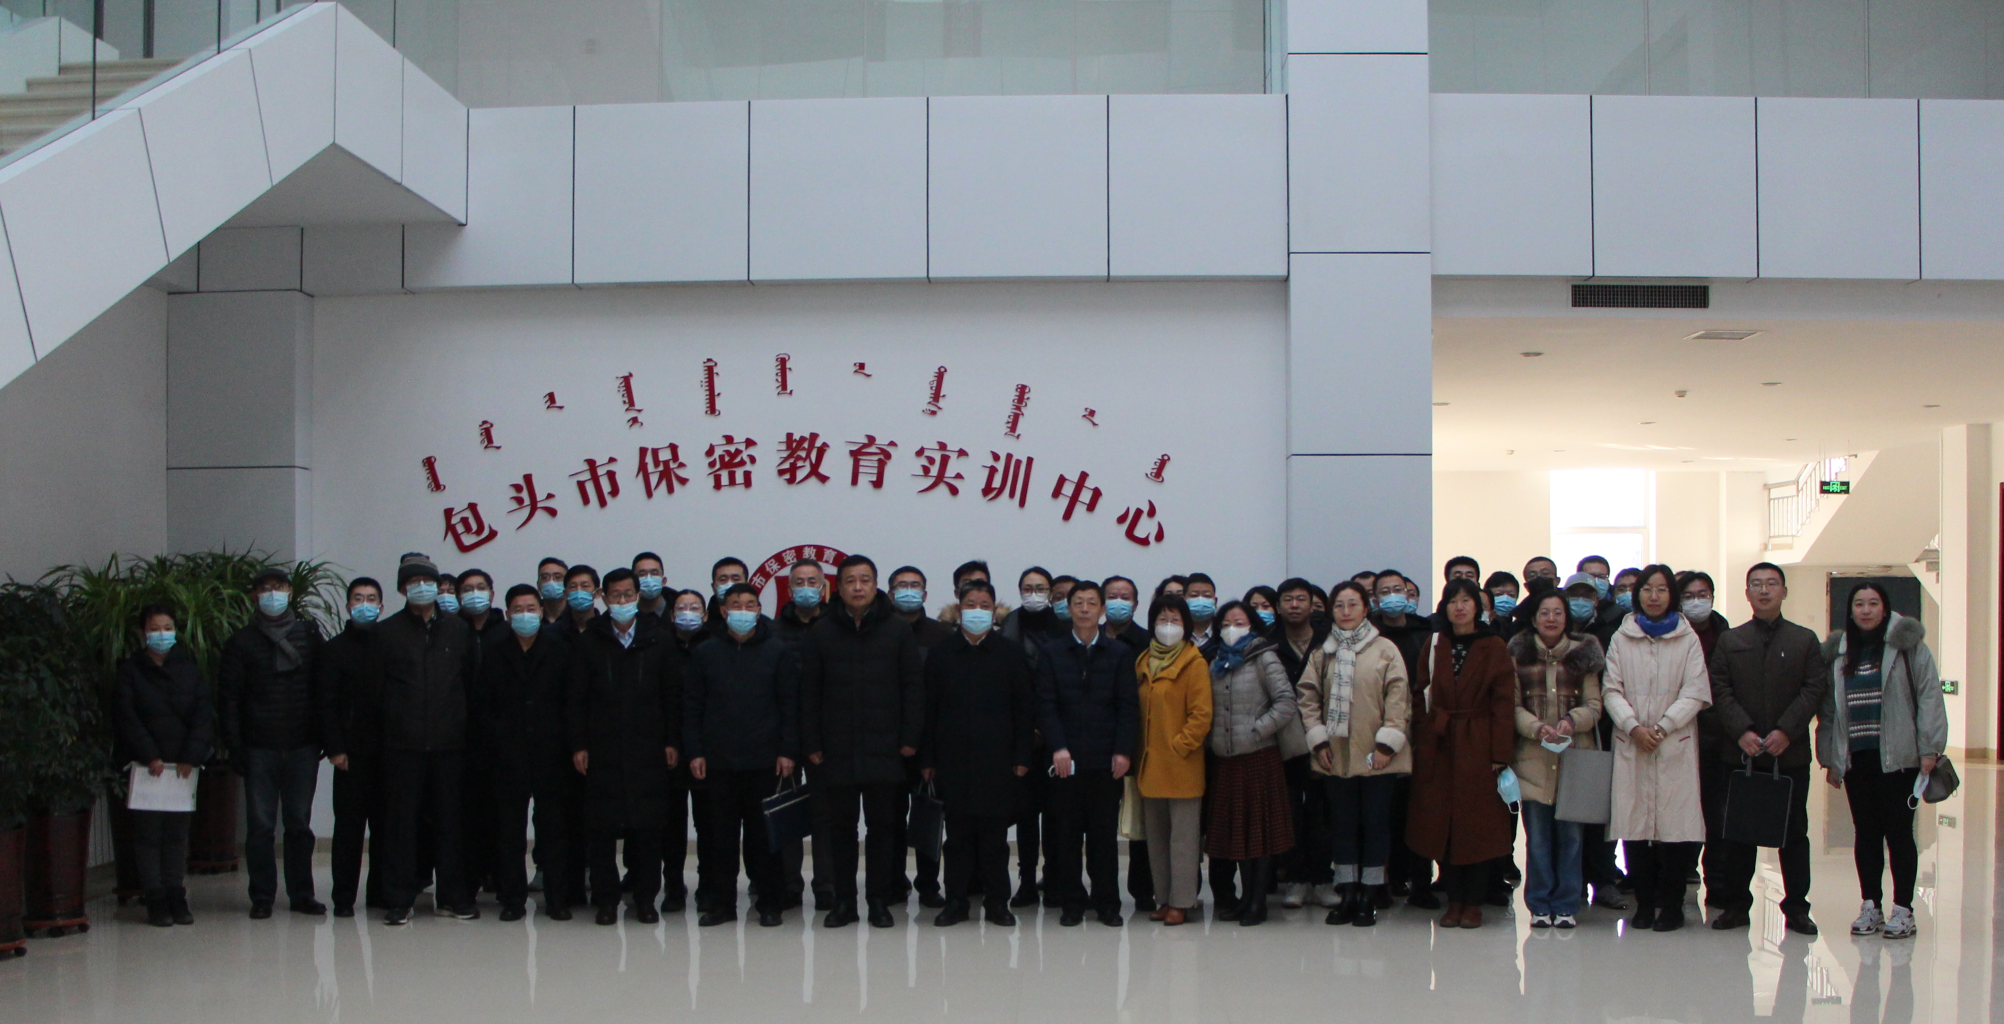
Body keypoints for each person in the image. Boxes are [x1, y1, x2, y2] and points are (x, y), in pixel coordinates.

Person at [1817, 581, 1946, 942]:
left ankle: (1903, 909)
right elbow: (1829, 709)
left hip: (1900, 756)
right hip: (1858, 756)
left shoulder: (1908, 647)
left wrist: (1930, 748)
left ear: (1885, 608)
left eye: (1873, 603)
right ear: (1850, 610)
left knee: (1899, 832)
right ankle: (1870, 904)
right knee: (1866, 832)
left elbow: (1930, 695)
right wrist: (1830, 756)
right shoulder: (1840, 653)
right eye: (1859, 604)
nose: (1866, 610)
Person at [800, 555, 923, 929]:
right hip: (836, 748)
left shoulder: (896, 630)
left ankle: (879, 901)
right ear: (838, 588)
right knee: (840, 829)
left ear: (875, 585)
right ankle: (844, 903)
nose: (858, 587)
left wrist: (909, 737)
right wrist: (812, 740)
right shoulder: (822, 631)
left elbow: (912, 688)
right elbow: (809, 691)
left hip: (885, 747)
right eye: (850, 581)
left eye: (865, 580)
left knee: (883, 828)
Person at [1706, 563, 1827, 935]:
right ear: (1747, 594)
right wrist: (1741, 730)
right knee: (1737, 834)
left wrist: (1786, 731)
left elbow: (1813, 689)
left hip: (1788, 755)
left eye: (1772, 584)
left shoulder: (1804, 640)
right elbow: (1719, 688)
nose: (1764, 590)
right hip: (1740, 754)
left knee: (1794, 834)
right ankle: (1736, 906)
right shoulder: (1731, 640)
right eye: (1756, 584)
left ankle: (1797, 908)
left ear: (1784, 591)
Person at [567, 568, 682, 926]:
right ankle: (606, 900)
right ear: (603, 597)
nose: (622, 601)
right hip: (602, 749)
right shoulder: (590, 640)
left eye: (628, 594)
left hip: (648, 749)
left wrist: (672, 741)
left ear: (637, 596)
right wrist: (578, 744)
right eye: (615, 595)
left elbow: (672, 696)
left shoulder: (658, 638)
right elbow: (576, 699)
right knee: (601, 830)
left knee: (647, 830)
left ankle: (645, 899)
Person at [1602, 564, 1711, 933]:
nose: (1654, 596)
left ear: (1671, 595)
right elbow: (1611, 689)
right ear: (1638, 594)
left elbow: (1695, 691)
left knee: (1674, 829)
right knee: (1635, 827)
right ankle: (1644, 904)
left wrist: (1663, 727)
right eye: (1648, 589)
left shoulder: (1687, 638)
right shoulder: (1622, 637)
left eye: (1662, 589)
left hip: (1673, 742)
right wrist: (1633, 727)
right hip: (1632, 741)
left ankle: (1672, 906)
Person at [685, 583, 799, 928]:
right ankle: (722, 904)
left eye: (750, 605)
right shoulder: (705, 652)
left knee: (764, 838)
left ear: (759, 610)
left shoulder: (777, 650)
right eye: (736, 605)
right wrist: (695, 751)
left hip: (765, 760)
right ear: (723, 611)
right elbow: (692, 706)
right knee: (721, 836)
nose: (743, 611)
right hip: (718, 760)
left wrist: (787, 750)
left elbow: (789, 705)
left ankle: (769, 903)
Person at [921, 579, 1035, 927]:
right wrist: (927, 759)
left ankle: (997, 902)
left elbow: (1024, 711)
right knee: (956, 839)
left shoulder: (1010, 653)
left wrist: (1022, 757)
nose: (977, 611)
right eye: (970, 604)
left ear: (994, 611)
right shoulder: (941, 653)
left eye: (984, 605)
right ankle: (956, 902)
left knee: (994, 840)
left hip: (998, 762)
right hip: (952, 761)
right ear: (958, 608)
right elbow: (928, 710)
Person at [1298, 582, 1410, 927]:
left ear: (1366, 609)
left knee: (1375, 824)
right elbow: (1307, 697)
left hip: (1377, 755)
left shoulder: (1385, 649)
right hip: (1336, 756)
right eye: (1339, 605)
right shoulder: (1323, 652)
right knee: (1342, 825)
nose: (1346, 612)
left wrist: (1386, 745)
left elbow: (1399, 700)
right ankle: (1347, 891)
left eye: (1353, 605)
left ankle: (1370, 894)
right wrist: (1319, 742)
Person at [1405, 578, 1514, 929]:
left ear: (1478, 607)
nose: (1460, 607)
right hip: (1438, 743)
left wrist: (1500, 753)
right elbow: (1420, 693)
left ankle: (1474, 902)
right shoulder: (1435, 643)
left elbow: (1503, 702)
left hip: (1478, 741)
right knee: (1442, 824)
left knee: (1477, 826)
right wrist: (1424, 734)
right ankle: (1453, 900)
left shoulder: (1493, 645)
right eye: (1453, 601)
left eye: (1466, 600)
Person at [219, 566, 326, 919]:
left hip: (302, 745)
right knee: (261, 827)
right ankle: (262, 896)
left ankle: (302, 894)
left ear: (290, 593)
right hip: (259, 746)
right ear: (254, 596)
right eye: (265, 588)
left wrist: (324, 735)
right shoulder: (241, 642)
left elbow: (323, 687)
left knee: (298, 824)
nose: (272, 594)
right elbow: (229, 698)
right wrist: (235, 745)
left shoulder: (309, 635)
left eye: (278, 587)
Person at [378, 555, 479, 925]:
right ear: (402, 588)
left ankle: (452, 897)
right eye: (414, 581)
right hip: (403, 745)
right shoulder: (387, 632)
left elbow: (470, 684)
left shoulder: (458, 629)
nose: (422, 587)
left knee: (451, 824)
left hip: (450, 744)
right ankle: (400, 899)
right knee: (401, 826)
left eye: (428, 581)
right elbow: (377, 691)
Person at [1037, 580, 1137, 928]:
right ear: (1068, 609)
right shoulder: (1052, 652)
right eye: (1077, 602)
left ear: (1101, 610)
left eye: (1091, 603)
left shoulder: (1119, 653)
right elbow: (1045, 704)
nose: (1084, 609)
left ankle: (1107, 903)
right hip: (1064, 761)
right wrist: (1057, 747)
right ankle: (1072, 902)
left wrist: (1123, 751)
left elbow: (1127, 706)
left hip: (1105, 760)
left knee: (1102, 838)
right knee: (1066, 836)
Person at [480, 584, 577, 922]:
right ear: (507, 614)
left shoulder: (560, 649)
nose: (525, 615)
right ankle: (512, 899)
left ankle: (557, 898)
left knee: (554, 831)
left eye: (531, 608)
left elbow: (571, 702)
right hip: (507, 755)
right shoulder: (493, 651)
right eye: (518, 609)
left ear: (541, 611)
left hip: (552, 754)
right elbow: (484, 705)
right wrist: (496, 742)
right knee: (509, 832)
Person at [114, 604, 214, 927]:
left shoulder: (190, 670)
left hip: (182, 768)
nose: (162, 634)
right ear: (142, 633)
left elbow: (203, 716)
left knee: (177, 834)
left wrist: (190, 756)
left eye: (167, 627)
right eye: (155, 628)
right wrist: (149, 756)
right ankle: (154, 897)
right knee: (148, 835)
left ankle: (176, 894)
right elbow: (127, 717)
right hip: (147, 768)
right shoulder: (130, 671)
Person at [1509, 589, 1603, 929]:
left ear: (1567, 618)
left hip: (1574, 758)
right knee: (1537, 838)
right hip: (1532, 759)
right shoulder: (1518, 655)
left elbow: (1595, 705)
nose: (1551, 618)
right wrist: (1536, 728)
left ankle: (1565, 905)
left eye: (1558, 612)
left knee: (1572, 839)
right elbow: (1512, 706)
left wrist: (1571, 722)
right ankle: (1539, 904)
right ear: (1534, 619)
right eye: (1545, 613)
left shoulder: (1583, 654)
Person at [1203, 601, 1296, 926]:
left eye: (1239, 622)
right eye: (1226, 623)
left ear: (1252, 626)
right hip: (1226, 760)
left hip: (1259, 756)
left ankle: (1258, 901)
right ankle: (1244, 899)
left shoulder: (1264, 657)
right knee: (1238, 834)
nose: (1232, 628)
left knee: (1260, 834)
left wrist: (1258, 729)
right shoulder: (1215, 661)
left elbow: (1286, 703)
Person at [1132, 594, 1211, 926]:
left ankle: (1182, 901)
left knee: (1183, 842)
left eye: (1175, 620)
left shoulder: (1194, 663)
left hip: (1182, 765)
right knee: (1157, 841)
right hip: (1149, 766)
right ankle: (1163, 898)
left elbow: (1201, 715)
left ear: (1186, 626)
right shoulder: (1143, 660)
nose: (1168, 626)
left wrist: (1181, 746)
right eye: (1162, 619)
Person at [316, 578, 387, 918]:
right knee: (348, 829)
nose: (365, 604)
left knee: (385, 828)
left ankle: (380, 894)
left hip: (387, 751)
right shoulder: (334, 649)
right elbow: (325, 703)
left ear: (381, 606)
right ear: (348, 605)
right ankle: (344, 897)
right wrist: (335, 748)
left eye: (371, 598)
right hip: (349, 754)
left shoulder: (390, 645)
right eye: (358, 598)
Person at [888, 564, 953, 908]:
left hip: (930, 741)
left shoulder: (940, 635)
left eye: (915, 586)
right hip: (889, 742)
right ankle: (893, 881)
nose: (908, 591)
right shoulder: (880, 631)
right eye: (902, 585)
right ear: (890, 593)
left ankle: (929, 884)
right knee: (890, 818)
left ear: (925, 594)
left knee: (930, 814)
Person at [1369, 569, 1433, 908]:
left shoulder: (1425, 633)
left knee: (1420, 810)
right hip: (1378, 733)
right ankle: (1383, 881)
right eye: (1385, 591)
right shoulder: (1368, 634)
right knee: (1382, 812)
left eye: (1399, 589)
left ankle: (1421, 882)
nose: (1393, 596)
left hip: (1420, 732)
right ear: (1375, 598)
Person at [1269, 578, 1333, 910]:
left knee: (1322, 813)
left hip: (1325, 738)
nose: (1294, 605)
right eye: (1288, 599)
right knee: (1289, 812)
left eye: (1301, 599)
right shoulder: (1268, 644)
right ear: (1278, 606)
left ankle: (1322, 879)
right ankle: (1295, 879)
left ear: (1312, 605)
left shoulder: (1330, 642)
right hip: (1283, 740)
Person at [1001, 566, 1061, 648]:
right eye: (1027, 589)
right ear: (1020, 591)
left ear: (1051, 592)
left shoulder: (1059, 620)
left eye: (1040, 589)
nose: (1033, 594)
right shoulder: (1011, 621)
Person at [776, 559, 828, 641]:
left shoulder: (836, 628)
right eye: (799, 583)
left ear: (823, 589)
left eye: (812, 582)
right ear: (790, 590)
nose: (805, 587)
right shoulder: (774, 630)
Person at [1104, 575, 1151, 650]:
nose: (1118, 603)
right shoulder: (1091, 637)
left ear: (1135, 605)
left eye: (1125, 598)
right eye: (1112, 597)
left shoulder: (1148, 641)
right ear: (1102, 603)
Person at [1183, 573, 1221, 660]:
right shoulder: (1177, 633)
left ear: (1215, 601)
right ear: (1184, 600)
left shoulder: (1223, 633)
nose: (1200, 600)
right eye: (1194, 595)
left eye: (1207, 596)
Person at [556, 564, 600, 638]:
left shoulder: (608, 630)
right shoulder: (552, 632)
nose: (578, 590)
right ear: (565, 594)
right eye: (573, 587)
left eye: (585, 586)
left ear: (597, 593)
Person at [632, 551, 672, 619]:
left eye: (654, 573)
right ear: (633, 582)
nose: (648, 579)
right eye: (642, 574)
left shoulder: (677, 608)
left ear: (663, 581)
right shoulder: (624, 612)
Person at [1484, 572, 1522, 638]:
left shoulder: (1521, 629)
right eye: (1498, 594)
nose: (1505, 598)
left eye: (1511, 595)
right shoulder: (1480, 626)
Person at [536, 557, 569, 623]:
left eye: (557, 577)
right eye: (545, 577)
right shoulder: (533, 615)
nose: (551, 582)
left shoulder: (577, 614)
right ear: (538, 585)